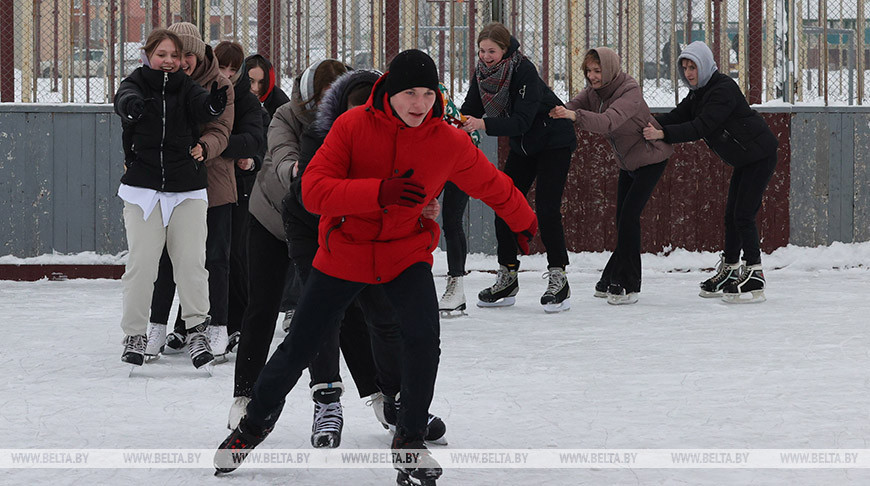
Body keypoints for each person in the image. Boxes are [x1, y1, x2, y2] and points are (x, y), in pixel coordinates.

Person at [214, 50, 537, 485]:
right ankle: (252, 427)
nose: (419, 104)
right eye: (409, 93)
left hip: (404, 253)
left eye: (427, 93)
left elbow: (492, 183)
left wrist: (523, 220)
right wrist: (379, 192)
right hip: (344, 250)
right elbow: (314, 191)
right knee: (302, 344)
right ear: (390, 91)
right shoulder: (351, 126)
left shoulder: (446, 139)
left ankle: (409, 440)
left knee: (423, 339)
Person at [280, 68, 447, 448]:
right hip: (314, 229)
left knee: (384, 314)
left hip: (372, 233)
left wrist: (423, 207)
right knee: (323, 316)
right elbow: (316, 195)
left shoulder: (399, 135)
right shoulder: (319, 136)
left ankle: (396, 399)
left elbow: (420, 180)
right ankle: (326, 403)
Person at [229, 59, 348, 430]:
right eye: (323, 98)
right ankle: (244, 394)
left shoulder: (351, 122)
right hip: (270, 218)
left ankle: (336, 398)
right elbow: (281, 157)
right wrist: (299, 170)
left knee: (322, 309)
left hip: (318, 225)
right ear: (309, 97)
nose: (329, 106)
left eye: (336, 98)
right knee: (261, 307)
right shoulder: (284, 114)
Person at [113, 28, 227, 368]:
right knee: (142, 264)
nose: (169, 61)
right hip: (143, 189)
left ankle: (197, 332)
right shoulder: (135, 83)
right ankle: (134, 334)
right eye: (162, 54)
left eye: (174, 56)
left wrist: (212, 103)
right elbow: (123, 100)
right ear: (149, 55)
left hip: (186, 189)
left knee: (192, 264)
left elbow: (201, 106)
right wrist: (131, 107)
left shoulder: (186, 87)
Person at [643, 41, 778, 303]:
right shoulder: (698, 93)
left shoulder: (722, 89)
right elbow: (678, 115)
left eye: (693, 67)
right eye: (684, 68)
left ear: (704, 65)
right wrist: (644, 121)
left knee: (743, 215)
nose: (689, 73)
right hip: (745, 158)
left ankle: (754, 273)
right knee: (731, 216)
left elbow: (701, 126)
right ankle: (730, 269)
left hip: (760, 155)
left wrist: (662, 134)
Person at [460, 22, 577, 313]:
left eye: (492, 51)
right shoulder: (482, 74)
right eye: (482, 51)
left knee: (547, 208)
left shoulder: (523, 71)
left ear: (505, 49)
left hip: (553, 140)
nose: (486, 56)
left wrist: (483, 124)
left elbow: (522, 121)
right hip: (524, 146)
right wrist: (452, 120)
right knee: (504, 201)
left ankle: (558, 275)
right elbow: (470, 109)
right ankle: (508, 274)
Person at [550, 47, 673, 305]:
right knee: (622, 219)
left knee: (629, 218)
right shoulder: (594, 92)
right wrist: (555, 111)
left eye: (598, 71)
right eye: (589, 71)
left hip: (652, 158)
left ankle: (629, 284)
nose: (592, 76)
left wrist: (574, 116)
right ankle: (610, 276)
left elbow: (608, 121)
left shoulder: (630, 91)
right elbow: (572, 105)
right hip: (628, 162)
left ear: (611, 70)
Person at [144, 22, 237, 361]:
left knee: (215, 259)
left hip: (212, 182)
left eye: (188, 56)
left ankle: (218, 328)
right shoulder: (157, 82)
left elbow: (221, 129)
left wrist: (203, 146)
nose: (180, 62)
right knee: (167, 260)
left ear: (199, 54)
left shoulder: (219, 85)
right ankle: (156, 326)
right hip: (172, 185)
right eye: (175, 55)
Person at [214, 41, 268, 350]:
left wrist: (247, 157)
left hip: (240, 187)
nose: (228, 74)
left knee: (233, 255)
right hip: (206, 185)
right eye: (223, 67)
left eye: (234, 70)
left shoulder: (247, 101)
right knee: (202, 257)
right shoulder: (205, 92)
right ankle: (190, 320)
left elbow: (255, 141)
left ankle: (237, 322)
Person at [435, 83, 480, 316]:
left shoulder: (436, 98)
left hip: (460, 157)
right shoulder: (397, 99)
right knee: (410, 215)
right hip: (431, 159)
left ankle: (457, 286)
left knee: (451, 221)